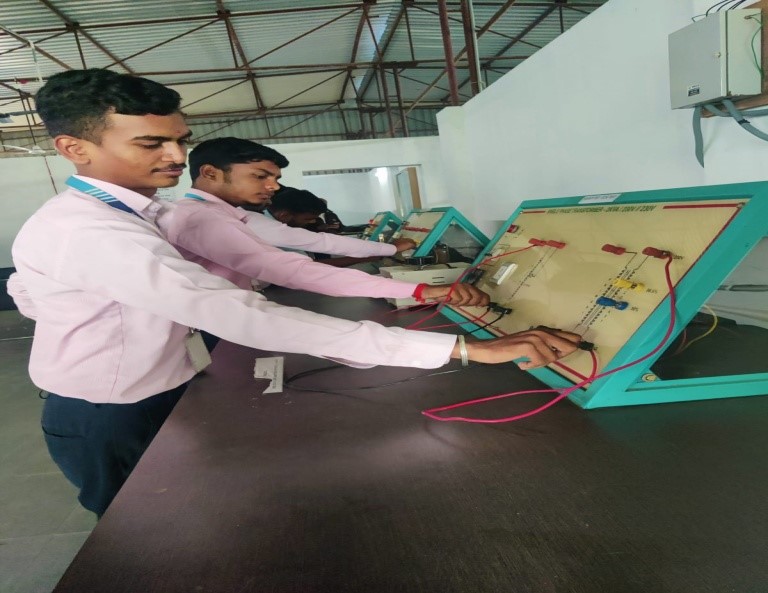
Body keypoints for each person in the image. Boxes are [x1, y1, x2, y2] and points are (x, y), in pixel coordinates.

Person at [9, 69, 581, 517]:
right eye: (150, 143)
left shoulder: (138, 215)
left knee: (181, 514)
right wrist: (462, 349)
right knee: (135, 534)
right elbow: (240, 310)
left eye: (180, 140)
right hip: (110, 411)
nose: (177, 157)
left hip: (159, 382)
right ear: (74, 148)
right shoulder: (91, 229)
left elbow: (28, 290)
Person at [162, 138, 487, 299]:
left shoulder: (227, 213)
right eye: (261, 176)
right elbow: (296, 265)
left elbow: (311, 245)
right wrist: (416, 288)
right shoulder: (202, 218)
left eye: (274, 178)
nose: (273, 186)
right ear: (210, 173)